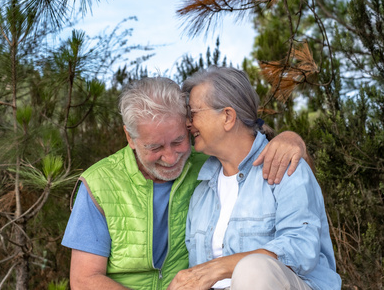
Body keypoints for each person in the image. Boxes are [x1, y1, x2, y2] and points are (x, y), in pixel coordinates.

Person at [62, 76, 308, 290]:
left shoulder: (209, 165)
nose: (170, 158)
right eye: (155, 147)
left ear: (188, 126)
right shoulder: (99, 183)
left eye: (179, 141)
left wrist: (291, 139)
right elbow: (85, 280)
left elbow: (246, 141)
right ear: (130, 137)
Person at [168, 67, 341, 290]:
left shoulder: (284, 166)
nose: (188, 123)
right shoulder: (202, 190)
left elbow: (301, 248)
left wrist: (220, 267)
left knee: (254, 269)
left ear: (228, 117)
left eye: (194, 114)